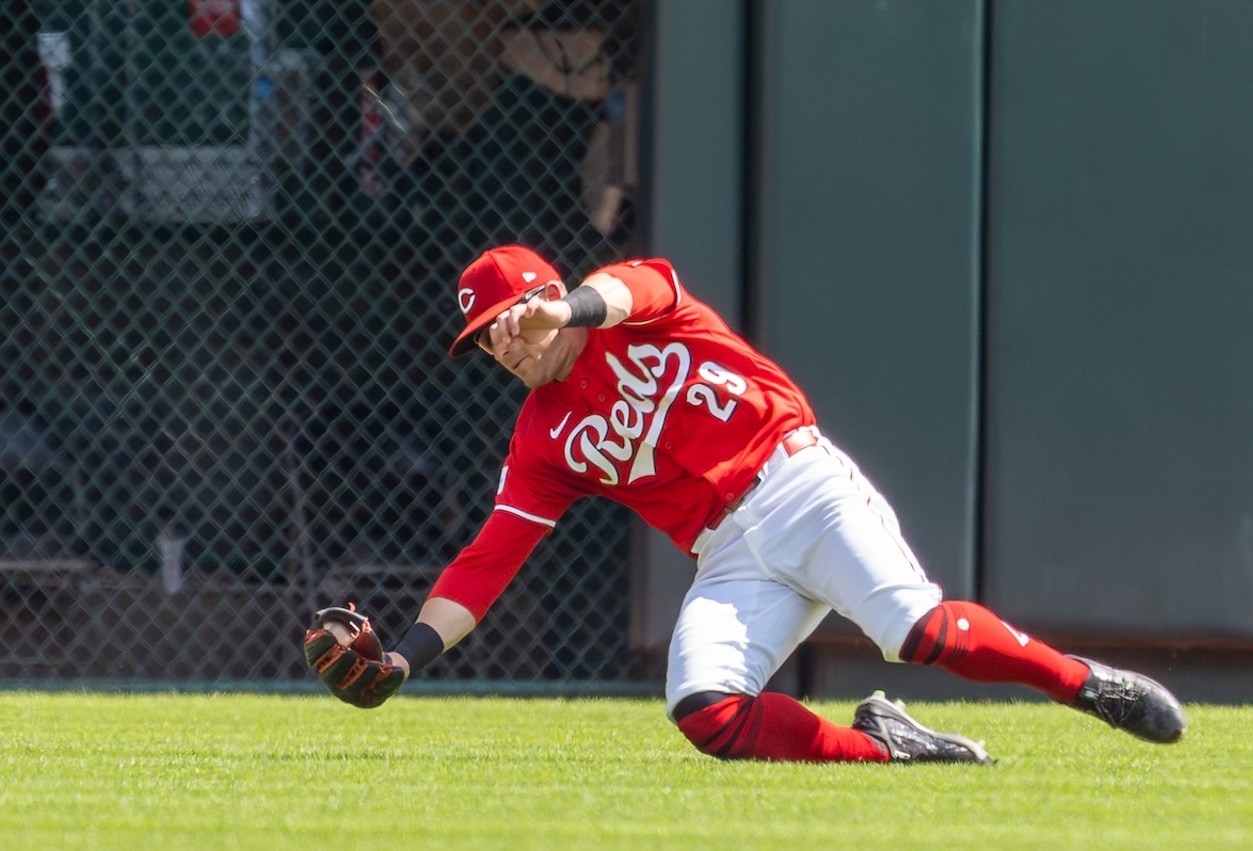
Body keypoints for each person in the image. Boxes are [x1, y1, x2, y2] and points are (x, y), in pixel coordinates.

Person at [304, 245, 1188, 763]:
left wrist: (561, 309)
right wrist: (411, 657)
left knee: (921, 633)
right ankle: (890, 748)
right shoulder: (541, 437)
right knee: (706, 711)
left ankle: (1089, 687)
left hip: (798, 482)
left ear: (542, 300)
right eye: (483, 341)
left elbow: (633, 289)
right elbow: (488, 558)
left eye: (502, 326)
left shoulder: (630, 306)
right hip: (728, 554)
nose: (499, 347)